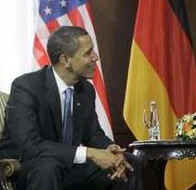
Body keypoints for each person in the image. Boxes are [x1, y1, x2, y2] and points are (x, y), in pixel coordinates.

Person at [0, 26, 143, 190]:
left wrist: (112, 151)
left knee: (129, 163)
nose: (95, 57)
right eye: (88, 53)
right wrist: (90, 153)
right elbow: (30, 145)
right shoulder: (26, 86)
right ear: (65, 60)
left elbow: (93, 134)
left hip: (67, 165)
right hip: (27, 165)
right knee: (48, 167)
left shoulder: (85, 89)